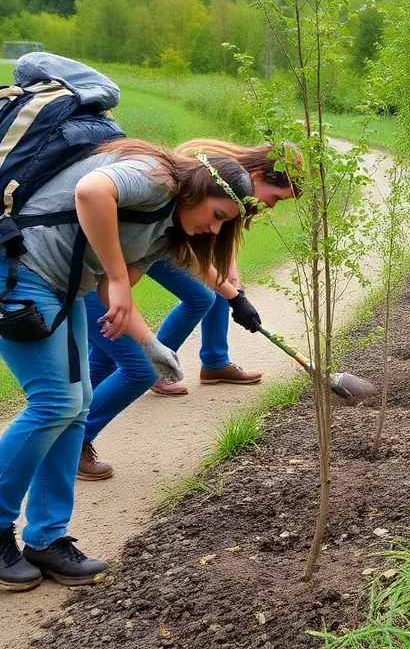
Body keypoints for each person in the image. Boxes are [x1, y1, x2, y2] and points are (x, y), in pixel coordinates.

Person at [0, 139, 254, 590]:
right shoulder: (155, 177)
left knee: (77, 407)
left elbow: (114, 295)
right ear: (198, 189)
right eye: (217, 216)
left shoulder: (166, 229)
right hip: (20, 273)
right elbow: (92, 191)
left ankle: (46, 539)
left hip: (64, 288)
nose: (214, 231)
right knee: (55, 402)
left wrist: (152, 344)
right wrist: (116, 277)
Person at [77, 140, 300, 481]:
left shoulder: (225, 202)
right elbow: (194, 251)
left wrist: (232, 288)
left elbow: (211, 244)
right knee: (135, 361)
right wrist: (233, 295)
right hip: (104, 261)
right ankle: (75, 437)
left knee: (123, 343)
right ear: (257, 177)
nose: (272, 206)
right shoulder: (211, 184)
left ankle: (203, 362)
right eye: (276, 197)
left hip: (126, 257)